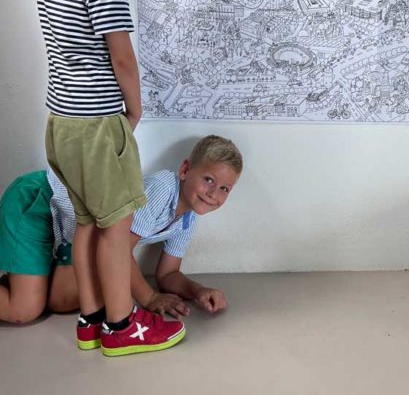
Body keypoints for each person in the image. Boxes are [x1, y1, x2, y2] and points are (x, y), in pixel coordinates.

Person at [36, 0, 184, 356]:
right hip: (100, 125)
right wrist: (135, 110)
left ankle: (90, 319)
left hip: (62, 124)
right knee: (116, 228)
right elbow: (122, 57)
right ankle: (122, 326)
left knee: (85, 223)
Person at [0, 135, 242, 328]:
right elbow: (119, 250)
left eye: (224, 189)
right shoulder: (162, 189)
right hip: (40, 198)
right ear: (185, 170)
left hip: (72, 230)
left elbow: (168, 275)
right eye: (208, 180)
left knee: (60, 302)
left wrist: (199, 291)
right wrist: (149, 298)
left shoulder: (186, 219)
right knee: (24, 310)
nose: (213, 194)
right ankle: (25, 286)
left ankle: (29, 281)